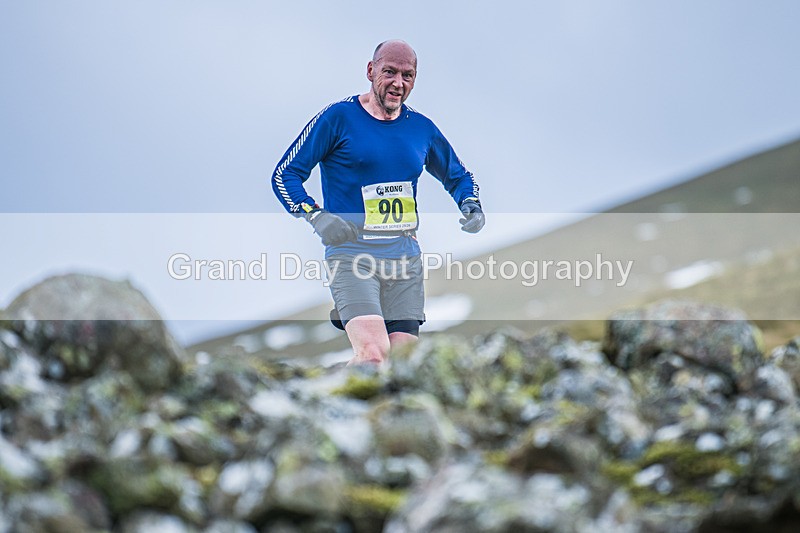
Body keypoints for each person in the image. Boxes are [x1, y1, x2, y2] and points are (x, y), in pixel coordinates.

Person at [271, 39, 484, 365]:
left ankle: (350, 402)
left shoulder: (421, 129)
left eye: (408, 75)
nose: (398, 83)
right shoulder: (338, 118)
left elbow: (458, 176)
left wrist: (470, 204)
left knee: (402, 366)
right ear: (371, 71)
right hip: (352, 257)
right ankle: (333, 408)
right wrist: (316, 216)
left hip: (404, 262)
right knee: (373, 354)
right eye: (390, 72)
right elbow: (285, 175)